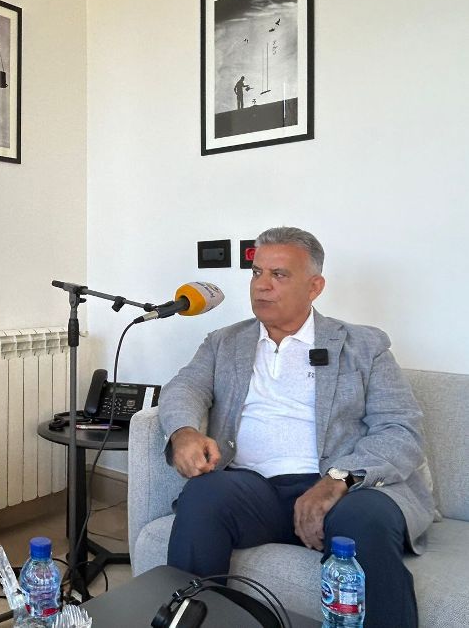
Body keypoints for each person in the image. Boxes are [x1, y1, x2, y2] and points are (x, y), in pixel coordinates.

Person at [158, 226, 434, 628]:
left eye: (279, 275)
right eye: (257, 273)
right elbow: (185, 387)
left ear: (314, 286)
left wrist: (337, 480)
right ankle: (191, 620)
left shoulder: (364, 345)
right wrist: (183, 431)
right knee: (203, 494)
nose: (262, 285)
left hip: (342, 489)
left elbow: (400, 429)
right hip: (253, 488)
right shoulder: (224, 342)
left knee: (366, 521)